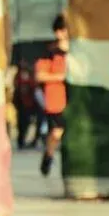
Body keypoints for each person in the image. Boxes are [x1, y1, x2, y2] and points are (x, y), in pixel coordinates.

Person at [36, 14, 69, 176]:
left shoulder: (77, 51)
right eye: (62, 30)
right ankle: (48, 156)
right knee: (56, 133)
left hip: (74, 99)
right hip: (56, 99)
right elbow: (40, 75)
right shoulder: (49, 53)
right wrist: (60, 77)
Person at [13, 60, 39, 149]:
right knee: (21, 124)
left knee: (26, 123)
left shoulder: (30, 77)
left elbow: (34, 87)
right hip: (21, 104)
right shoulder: (18, 76)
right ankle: (21, 141)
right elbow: (16, 87)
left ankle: (23, 140)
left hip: (29, 103)